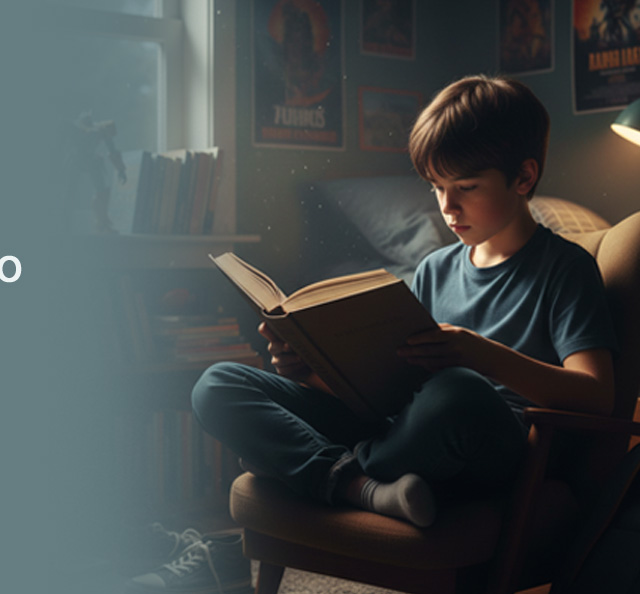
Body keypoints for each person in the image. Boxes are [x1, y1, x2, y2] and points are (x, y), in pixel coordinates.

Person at [191, 75, 617, 528]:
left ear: (524, 177)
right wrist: (306, 368)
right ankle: (360, 487)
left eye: (467, 187)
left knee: (458, 390)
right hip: (399, 435)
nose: (448, 206)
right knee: (218, 384)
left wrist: (483, 357)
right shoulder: (435, 268)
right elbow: (388, 392)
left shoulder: (565, 268)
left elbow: (597, 395)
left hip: (488, 446)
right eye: (436, 186)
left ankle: (304, 464)